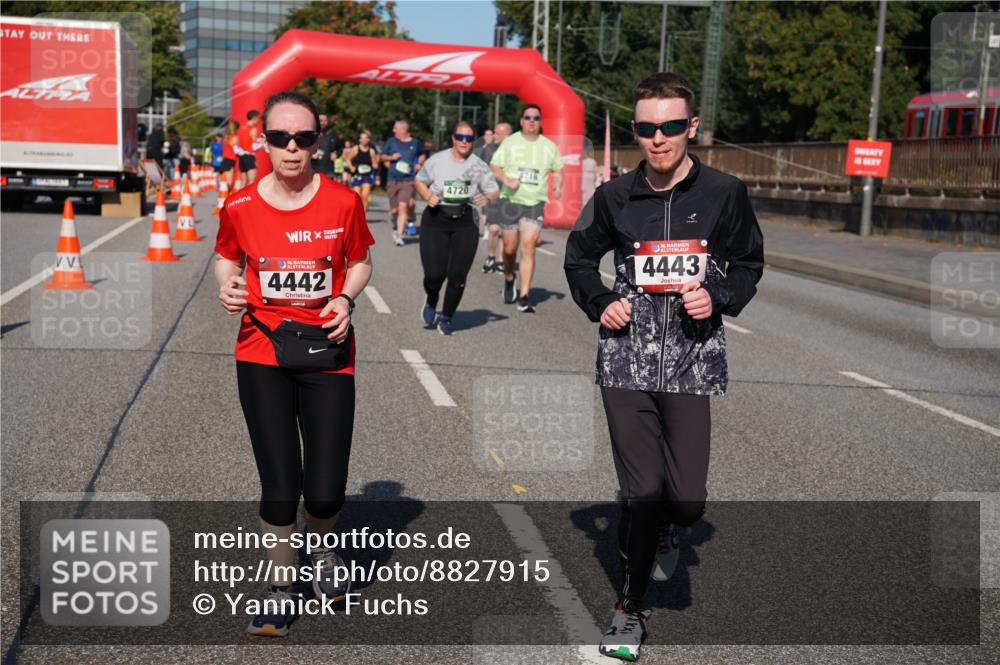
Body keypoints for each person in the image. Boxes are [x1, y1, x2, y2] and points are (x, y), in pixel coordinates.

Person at [563, 72, 764, 662]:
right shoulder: (614, 197)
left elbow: (748, 264)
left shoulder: (724, 193)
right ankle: (629, 607)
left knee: (688, 500)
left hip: (692, 359)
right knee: (643, 492)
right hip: (625, 361)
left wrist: (719, 296)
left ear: (691, 127)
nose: (659, 138)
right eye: (647, 128)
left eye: (671, 126)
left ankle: (673, 527)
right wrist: (603, 303)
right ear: (635, 131)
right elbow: (578, 261)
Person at [214, 90, 375, 638]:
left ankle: (324, 551)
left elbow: (360, 261)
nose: (291, 148)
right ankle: (281, 583)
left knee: (326, 488)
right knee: (280, 482)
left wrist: (345, 298)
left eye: (303, 138)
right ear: (264, 141)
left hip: (328, 350)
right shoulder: (238, 205)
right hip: (261, 350)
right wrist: (228, 287)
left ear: (318, 140)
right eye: (280, 138)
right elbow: (225, 256)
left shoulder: (343, 202)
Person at [414, 122, 499, 335]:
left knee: (458, 275)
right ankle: (432, 298)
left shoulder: (479, 164)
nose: (464, 141)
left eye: (469, 138)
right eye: (460, 137)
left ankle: (447, 316)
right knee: (434, 274)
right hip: (436, 217)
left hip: (465, 220)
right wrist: (427, 196)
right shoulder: (437, 160)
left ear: (473, 141)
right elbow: (419, 181)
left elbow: (494, 191)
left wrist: (486, 197)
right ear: (453, 138)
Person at [490, 105, 563, 312]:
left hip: (535, 202)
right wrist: (506, 178)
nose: (532, 121)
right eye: (528, 117)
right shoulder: (510, 142)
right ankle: (509, 277)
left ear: (540, 122)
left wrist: (558, 185)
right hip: (510, 201)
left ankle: (524, 296)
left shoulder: (549, 146)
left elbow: (558, 169)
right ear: (521, 121)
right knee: (510, 249)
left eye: (536, 118)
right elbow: (494, 166)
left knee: (528, 247)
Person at [381, 120, 425, 246]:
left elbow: (422, 154)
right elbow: (382, 156)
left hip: (408, 180)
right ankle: (398, 224)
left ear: (403, 130)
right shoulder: (391, 142)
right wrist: (391, 158)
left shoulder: (415, 143)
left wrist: (419, 163)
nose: (393, 130)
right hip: (393, 180)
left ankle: (399, 235)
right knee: (394, 210)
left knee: (403, 206)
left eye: (395, 128)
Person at [478, 122, 511, 274]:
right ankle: (491, 255)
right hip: (494, 194)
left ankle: (500, 261)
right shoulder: (488, 149)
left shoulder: (515, 151)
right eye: (494, 133)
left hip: (511, 196)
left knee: (505, 230)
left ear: (508, 136)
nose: (494, 135)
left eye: (498, 133)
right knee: (493, 229)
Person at [347, 131, 378, 212]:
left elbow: (375, 163)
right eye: (362, 138)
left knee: (365, 195)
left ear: (368, 140)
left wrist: (375, 165)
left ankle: (363, 214)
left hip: (367, 175)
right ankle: (357, 211)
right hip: (357, 174)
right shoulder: (355, 149)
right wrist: (351, 167)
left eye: (366, 138)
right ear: (360, 140)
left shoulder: (371, 151)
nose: (364, 139)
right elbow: (348, 159)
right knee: (357, 196)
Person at [235, 109, 262, 188]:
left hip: (242, 156)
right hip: (249, 156)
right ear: (254, 118)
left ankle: (240, 199)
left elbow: (238, 143)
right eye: (258, 118)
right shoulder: (253, 128)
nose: (259, 121)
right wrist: (263, 144)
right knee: (251, 181)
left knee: (243, 181)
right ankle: (249, 199)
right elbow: (253, 146)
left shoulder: (240, 129)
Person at [312, 113, 339, 179]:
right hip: (313, 170)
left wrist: (336, 154)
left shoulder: (332, 135)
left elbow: (340, 148)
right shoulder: (310, 135)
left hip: (328, 171)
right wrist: (311, 155)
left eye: (325, 121)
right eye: (321, 121)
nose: (323, 123)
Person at [220, 120, 239, 188]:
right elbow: (234, 148)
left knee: (226, 177)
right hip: (228, 158)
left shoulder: (230, 137)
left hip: (228, 158)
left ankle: (227, 190)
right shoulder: (231, 136)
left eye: (230, 126)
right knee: (227, 177)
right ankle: (227, 191)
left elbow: (232, 147)